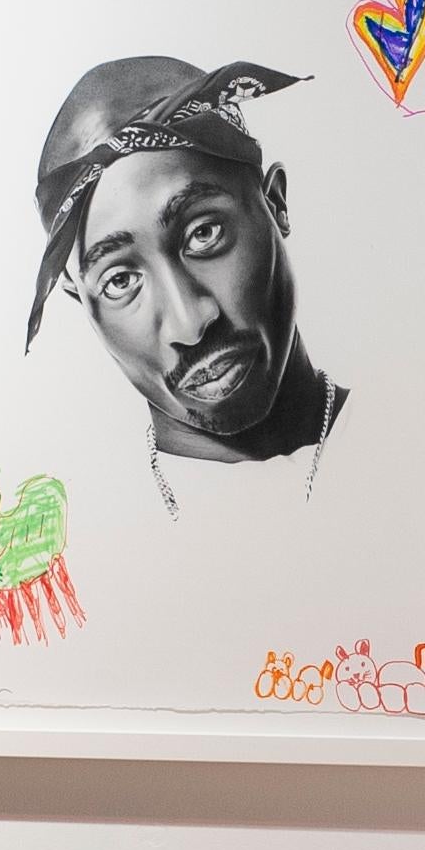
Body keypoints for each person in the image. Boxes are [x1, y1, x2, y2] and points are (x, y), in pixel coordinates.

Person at [25, 54, 348, 516]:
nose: (190, 324)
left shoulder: (416, 435)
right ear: (81, 300)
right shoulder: (104, 526)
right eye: (120, 280)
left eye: (204, 233)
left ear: (275, 204)